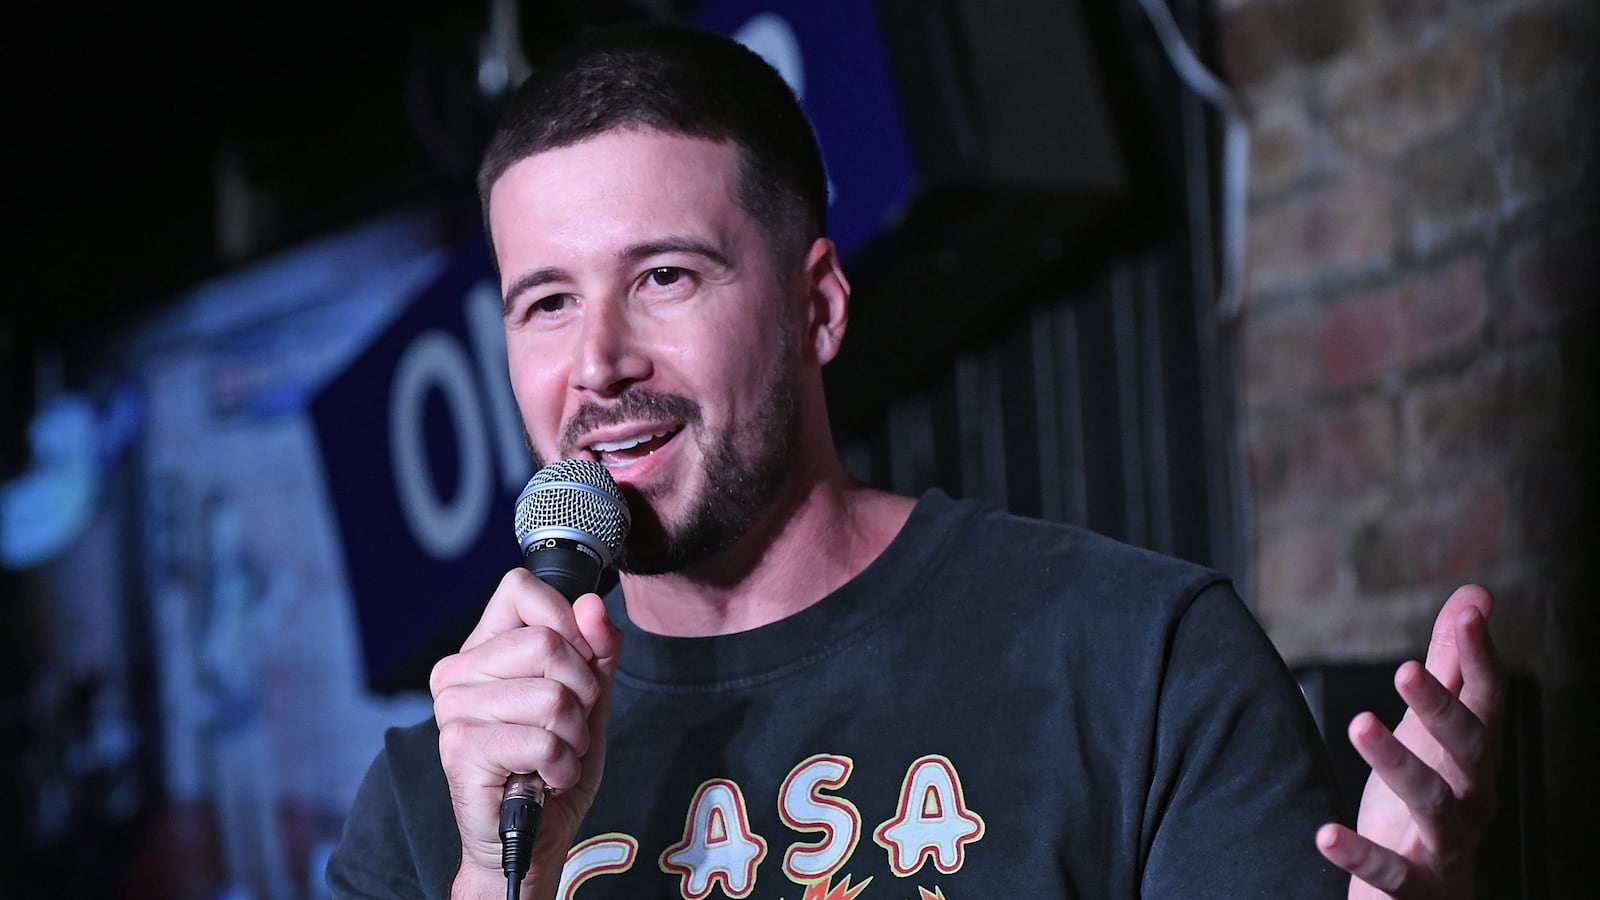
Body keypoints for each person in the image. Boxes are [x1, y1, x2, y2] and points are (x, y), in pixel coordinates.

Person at [327, 22, 1503, 900]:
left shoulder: (1131, 659)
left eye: (664, 277)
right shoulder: (439, 794)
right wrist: (494, 873)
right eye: (545, 303)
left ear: (819, 308)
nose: (598, 362)